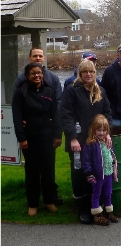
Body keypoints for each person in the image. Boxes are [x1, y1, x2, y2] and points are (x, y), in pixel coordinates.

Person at [61, 59, 113, 224]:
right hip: (79, 141)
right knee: (79, 173)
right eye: (85, 72)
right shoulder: (71, 91)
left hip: (97, 143)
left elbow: (107, 113)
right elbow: (66, 115)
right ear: (80, 74)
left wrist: (108, 134)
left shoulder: (101, 91)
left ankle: (96, 207)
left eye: (91, 71)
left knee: (98, 172)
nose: (88, 74)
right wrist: (72, 138)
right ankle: (82, 208)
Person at [14, 47, 63, 205]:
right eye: (34, 55)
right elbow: (17, 112)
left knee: (48, 169)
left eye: (40, 56)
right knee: (32, 170)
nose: (37, 58)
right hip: (30, 135)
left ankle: (50, 199)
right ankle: (33, 202)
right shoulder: (20, 87)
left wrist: (57, 133)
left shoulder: (51, 85)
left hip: (47, 134)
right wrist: (21, 135)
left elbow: (57, 107)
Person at [82, 114, 119, 225]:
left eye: (104, 130)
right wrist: (90, 174)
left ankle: (108, 212)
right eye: (99, 130)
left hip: (108, 173)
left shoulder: (108, 142)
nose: (101, 133)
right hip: (97, 175)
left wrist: (115, 169)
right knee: (96, 193)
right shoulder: (91, 144)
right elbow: (86, 160)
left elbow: (112, 156)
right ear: (94, 130)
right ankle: (97, 215)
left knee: (108, 193)